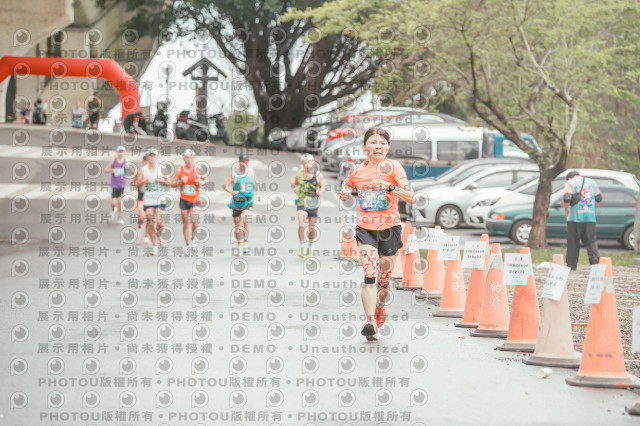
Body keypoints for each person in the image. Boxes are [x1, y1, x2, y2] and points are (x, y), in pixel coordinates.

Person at [340, 127, 415, 341]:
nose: (378, 146)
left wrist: (389, 187)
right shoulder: (357, 170)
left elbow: (411, 196)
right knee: (369, 276)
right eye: (373, 142)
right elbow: (347, 182)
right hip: (366, 229)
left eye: (383, 143)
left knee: (384, 281)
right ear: (365, 147)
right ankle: (370, 321)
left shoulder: (394, 167)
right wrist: (345, 191)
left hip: (390, 229)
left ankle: (380, 305)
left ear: (388, 147)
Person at [563, 170, 602, 270]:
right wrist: (591, 207)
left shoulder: (570, 182)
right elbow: (598, 198)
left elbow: (567, 198)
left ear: (569, 178)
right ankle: (595, 264)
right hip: (590, 217)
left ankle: (571, 265)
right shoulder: (592, 182)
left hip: (574, 218)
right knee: (591, 241)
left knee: (573, 242)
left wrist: (566, 210)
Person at [224, 153, 262, 256]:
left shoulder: (251, 172)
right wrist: (232, 192)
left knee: (246, 219)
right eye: (243, 162)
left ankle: (245, 243)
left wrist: (258, 194)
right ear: (239, 162)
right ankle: (239, 245)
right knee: (237, 226)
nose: (245, 164)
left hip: (248, 201)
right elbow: (226, 186)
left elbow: (256, 183)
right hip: (237, 202)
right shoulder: (234, 173)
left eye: (247, 162)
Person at [171, 149, 208, 256]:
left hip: (195, 198)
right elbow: (172, 184)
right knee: (186, 222)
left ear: (194, 158)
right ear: (183, 159)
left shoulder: (198, 169)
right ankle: (187, 245)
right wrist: (180, 182)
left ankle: (193, 240)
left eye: (191, 157)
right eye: (187, 157)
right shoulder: (180, 170)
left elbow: (206, 180)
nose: (189, 160)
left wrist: (201, 182)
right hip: (184, 199)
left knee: (195, 220)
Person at [291, 153, 325, 258]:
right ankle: (302, 245)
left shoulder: (318, 175)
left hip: (313, 204)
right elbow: (294, 182)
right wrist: (295, 187)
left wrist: (320, 190)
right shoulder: (299, 173)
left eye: (309, 162)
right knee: (302, 225)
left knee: (311, 228)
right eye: (304, 162)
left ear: (313, 163)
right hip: (301, 202)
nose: (307, 164)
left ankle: (310, 246)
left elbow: (323, 185)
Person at [141, 148, 169, 256]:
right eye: (150, 155)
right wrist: (142, 182)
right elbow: (135, 184)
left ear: (157, 157)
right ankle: (155, 246)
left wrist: (162, 181)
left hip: (160, 199)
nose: (152, 158)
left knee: (160, 223)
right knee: (150, 222)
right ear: (147, 157)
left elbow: (169, 182)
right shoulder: (143, 170)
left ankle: (159, 236)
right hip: (148, 199)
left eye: (154, 156)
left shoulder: (162, 168)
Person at [104, 146, 132, 224]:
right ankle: (113, 210)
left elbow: (132, 171)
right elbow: (106, 169)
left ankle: (120, 216)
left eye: (122, 151)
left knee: (120, 201)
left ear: (124, 152)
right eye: (119, 151)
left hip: (122, 184)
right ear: (117, 152)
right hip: (114, 184)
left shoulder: (126, 160)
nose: (121, 153)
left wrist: (129, 166)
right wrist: (112, 170)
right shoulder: (113, 160)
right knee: (113, 203)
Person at [131, 153, 150, 244]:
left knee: (149, 218)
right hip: (141, 198)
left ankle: (146, 236)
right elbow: (132, 183)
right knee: (142, 217)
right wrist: (141, 183)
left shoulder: (154, 172)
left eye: (149, 161)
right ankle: (139, 227)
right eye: (146, 161)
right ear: (143, 162)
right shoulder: (139, 172)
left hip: (150, 199)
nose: (147, 162)